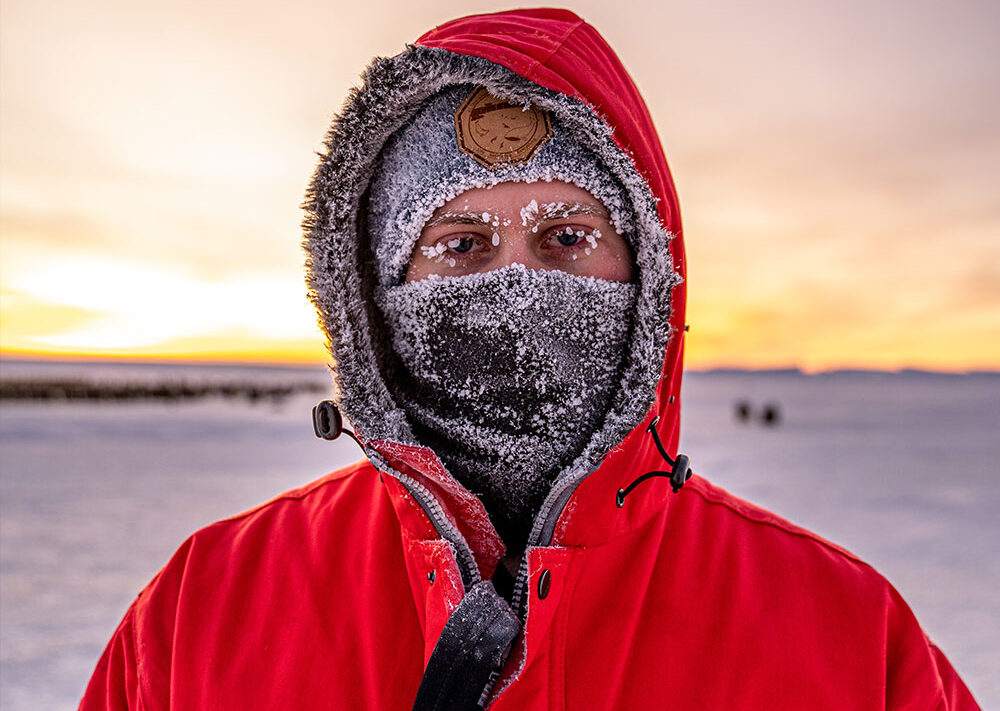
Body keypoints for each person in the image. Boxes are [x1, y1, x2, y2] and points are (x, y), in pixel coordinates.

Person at [80, 8, 979, 710]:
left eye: (567, 235)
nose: (518, 284)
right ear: (376, 291)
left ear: (649, 270)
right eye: (463, 243)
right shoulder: (207, 608)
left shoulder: (845, 634)